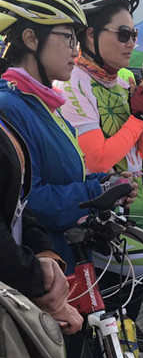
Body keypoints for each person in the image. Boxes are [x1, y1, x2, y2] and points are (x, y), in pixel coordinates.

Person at [0, 0, 137, 271]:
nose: (76, 50)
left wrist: (106, 183)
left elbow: (66, 176)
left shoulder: (44, 104)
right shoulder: (9, 106)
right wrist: (95, 193)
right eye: (68, 37)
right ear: (31, 39)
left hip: (68, 258)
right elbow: (27, 201)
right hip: (43, 267)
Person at [56, 0, 143, 228]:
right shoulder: (72, 83)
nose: (132, 43)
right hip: (102, 219)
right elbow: (98, 160)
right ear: (90, 35)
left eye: (134, 34)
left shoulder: (125, 79)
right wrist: (138, 117)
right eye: (123, 34)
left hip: (137, 211)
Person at [0, 114, 82, 334]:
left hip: (19, 284)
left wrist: (44, 254)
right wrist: (38, 280)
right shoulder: (12, 103)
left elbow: (16, 199)